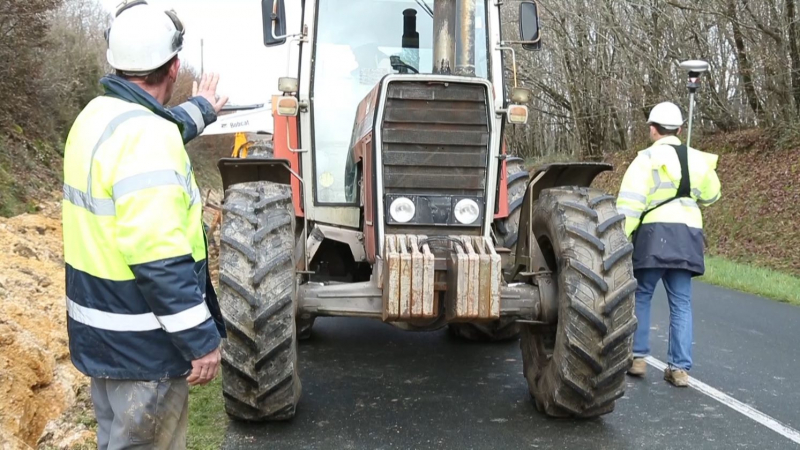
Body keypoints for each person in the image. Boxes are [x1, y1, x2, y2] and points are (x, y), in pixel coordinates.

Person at [62, 2, 229, 448]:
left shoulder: (94, 118)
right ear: (174, 67)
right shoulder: (149, 139)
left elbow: (157, 127)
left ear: (115, 61)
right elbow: (158, 257)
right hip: (144, 347)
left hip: (102, 335)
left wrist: (203, 108)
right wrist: (201, 342)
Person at [617, 102, 721, 387]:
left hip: (653, 235)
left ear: (652, 130)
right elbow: (713, 194)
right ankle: (679, 369)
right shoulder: (697, 160)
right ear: (679, 129)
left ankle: (637, 358)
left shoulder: (645, 159)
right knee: (682, 303)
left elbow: (629, 204)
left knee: (642, 295)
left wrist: (620, 239)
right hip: (687, 237)